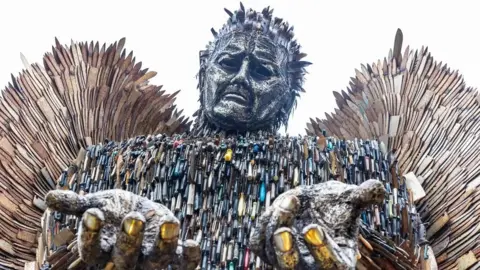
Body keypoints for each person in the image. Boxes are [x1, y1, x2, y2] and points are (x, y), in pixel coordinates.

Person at [2, 3, 478, 270]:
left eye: (263, 70)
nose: (241, 79)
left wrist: (368, 255)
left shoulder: (356, 169)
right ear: (203, 70)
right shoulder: (107, 166)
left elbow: (418, 255)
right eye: (229, 63)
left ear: (289, 95)